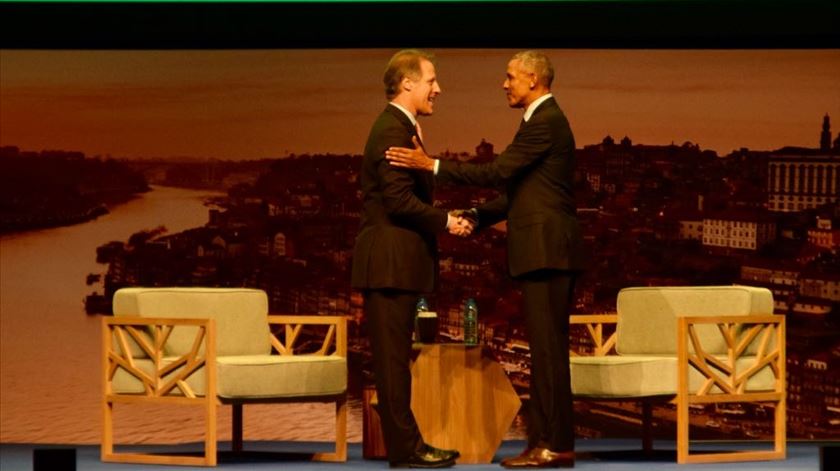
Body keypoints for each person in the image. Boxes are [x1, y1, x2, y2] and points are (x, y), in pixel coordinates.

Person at [385, 50, 583, 469]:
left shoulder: (545, 122)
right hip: (545, 251)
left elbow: (496, 172)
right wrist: (478, 216)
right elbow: (519, 193)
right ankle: (548, 441)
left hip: (547, 251)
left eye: (510, 76)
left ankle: (554, 445)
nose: (504, 83)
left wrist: (431, 164)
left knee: (548, 353)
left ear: (533, 79)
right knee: (545, 352)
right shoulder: (538, 122)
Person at [351, 49, 470, 469]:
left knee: (396, 361)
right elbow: (399, 202)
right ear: (407, 83)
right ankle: (406, 450)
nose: (438, 89)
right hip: (389, 262)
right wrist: (446, 222)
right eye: (431, 80)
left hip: (396, 262)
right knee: (392, 362)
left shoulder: (403, 129)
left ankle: (409, 445)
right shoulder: (391, 131)